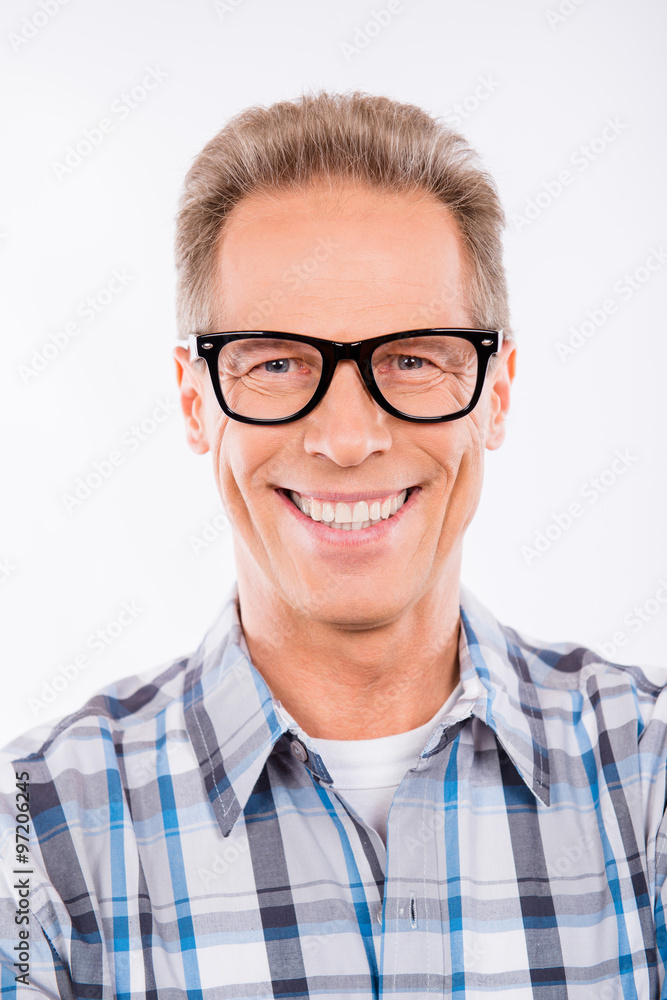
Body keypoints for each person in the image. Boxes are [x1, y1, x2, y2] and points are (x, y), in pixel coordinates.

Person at [1, 90, 666, 998]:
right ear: (196, 403)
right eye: (277, 362)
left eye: (412, 359)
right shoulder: (34, 834)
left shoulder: (648, 772)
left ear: (495, 393)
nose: (347, 438)